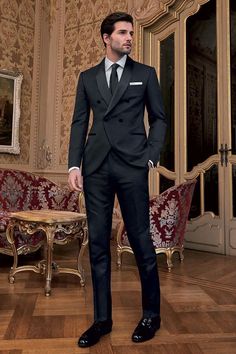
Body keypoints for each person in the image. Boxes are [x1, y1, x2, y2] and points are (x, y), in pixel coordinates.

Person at [68, 12, 167, 348]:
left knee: (141, 240)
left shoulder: (145, 74)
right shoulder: (88, 77)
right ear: (106, 38)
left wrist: (151, 155)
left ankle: (151, 315)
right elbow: (79, 123)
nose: (129, 38)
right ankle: (102, 320)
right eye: (123, 33)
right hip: (95, 167)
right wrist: (73, 166)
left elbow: (159, 119)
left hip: (131, 166)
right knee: (98, 244)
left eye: (131, 33)